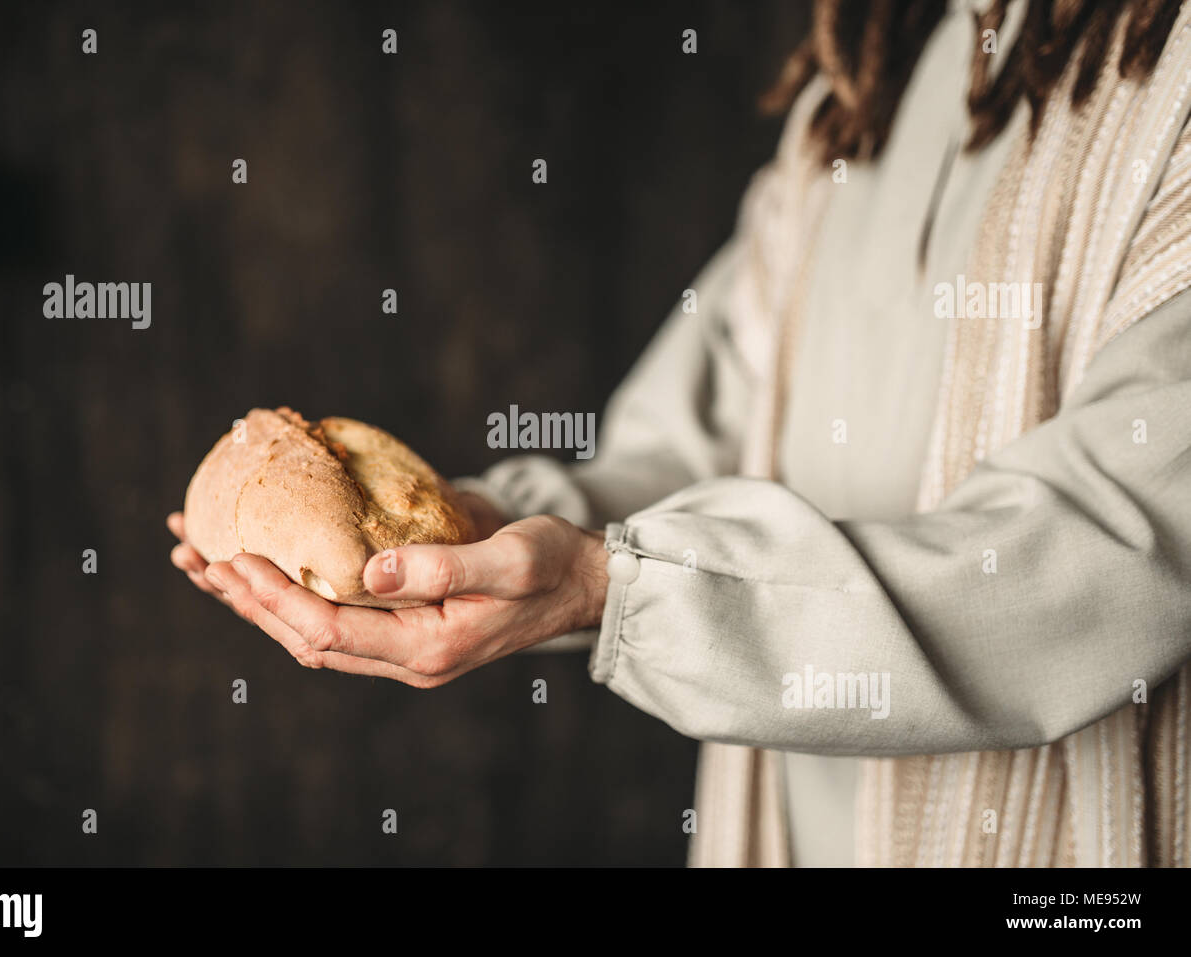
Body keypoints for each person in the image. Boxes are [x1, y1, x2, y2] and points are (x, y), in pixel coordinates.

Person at [170, 0, 1191, 867]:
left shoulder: (1170, 83)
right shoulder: (853, 107)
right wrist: (480, 539)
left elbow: (1112, 556)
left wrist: (611, 588)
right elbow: (684, 452)